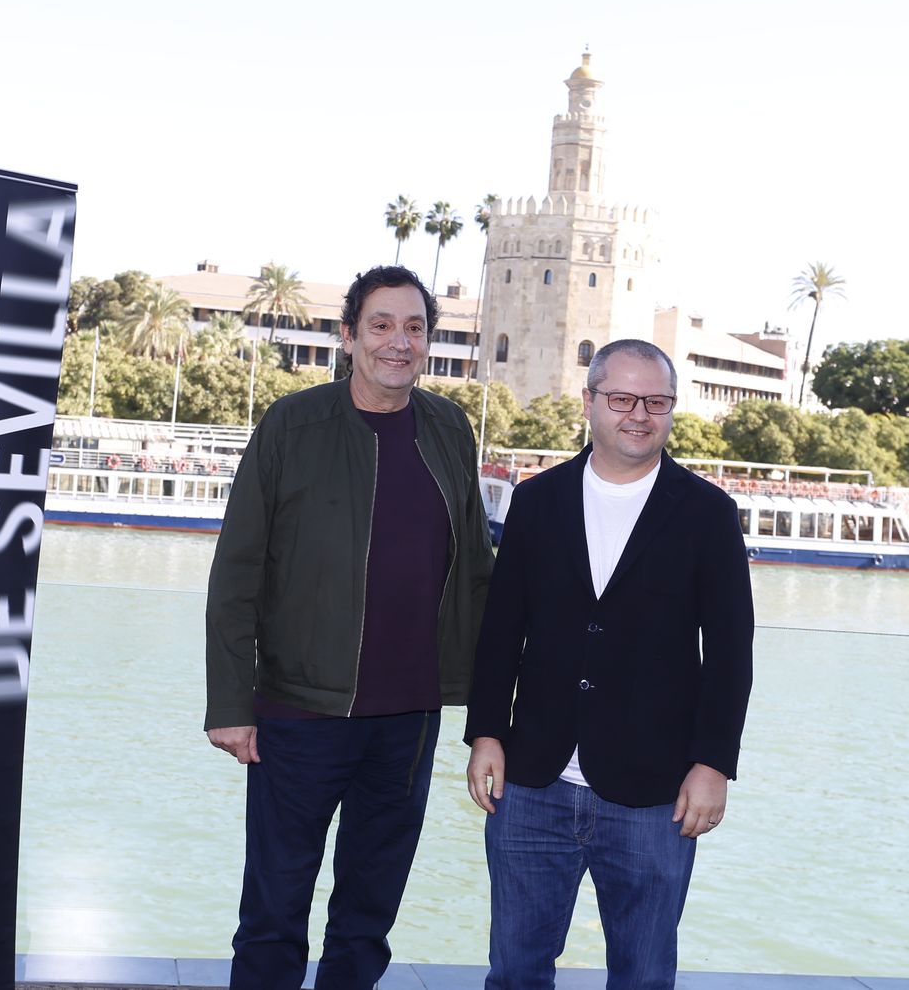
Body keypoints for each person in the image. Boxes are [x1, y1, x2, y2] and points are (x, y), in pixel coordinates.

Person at [204, 264, 494, 989]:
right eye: (382, 325)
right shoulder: (291, 426)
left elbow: (478, 578)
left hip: (408, 720)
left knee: (368, 914)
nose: (399, 342)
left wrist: (490, 710)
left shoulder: (449, 429)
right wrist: (230, 705)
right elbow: (238, 571)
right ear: (349, 336)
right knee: (274, 912)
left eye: (415, 327)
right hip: (300, 712)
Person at [464, 339, 754, 988]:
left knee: (644, 976)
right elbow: (501, 630)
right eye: (621, 398)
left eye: (656, 402)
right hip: (532, 782)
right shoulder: (536, 502)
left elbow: (731, 653)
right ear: (590, 401)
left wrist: (713, 765)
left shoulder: (708, 514)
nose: (639, 414)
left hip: (655, 794)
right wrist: (486, 732)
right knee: (514, 972)